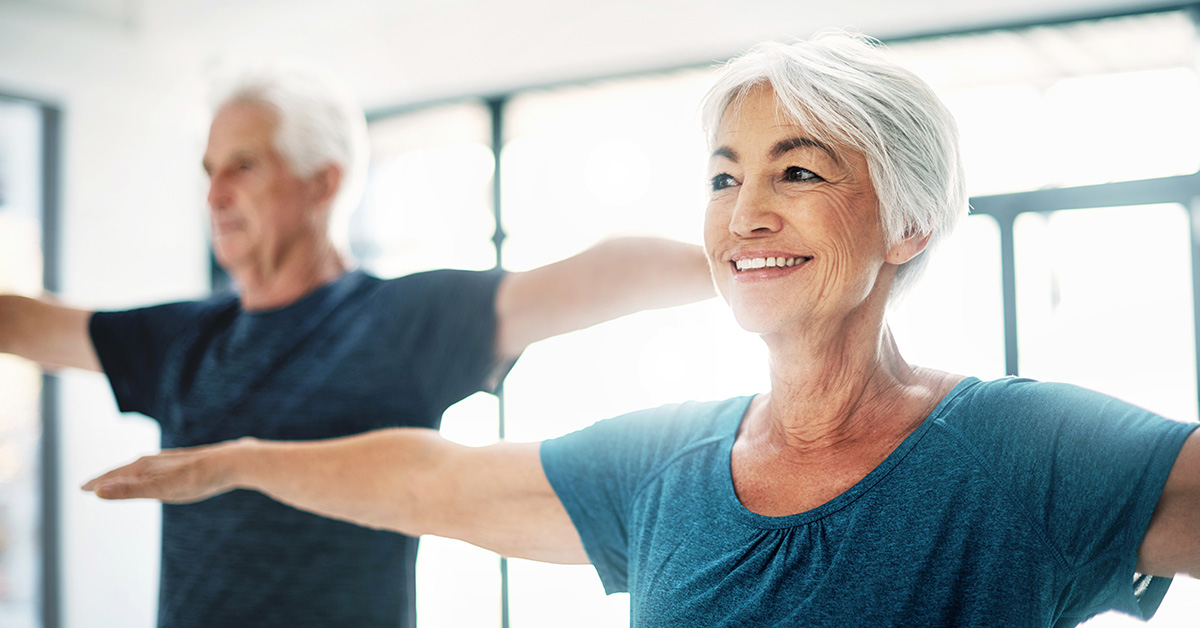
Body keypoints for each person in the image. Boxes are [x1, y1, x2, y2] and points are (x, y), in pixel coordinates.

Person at [82, 31, 1200, 627]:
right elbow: (434, 480)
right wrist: (235, 460)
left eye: (798, 171)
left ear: (909, 222)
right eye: (724, 177)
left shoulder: (1025, 451)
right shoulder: (669, 462)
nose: (746, 211)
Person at [0, 69, 715, 628]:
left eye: (243, 166)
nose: (215, 193)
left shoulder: (399, 319)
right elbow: (25, 324)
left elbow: (592, 278)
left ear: (323, 181)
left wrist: (751, 265)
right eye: (209, 169)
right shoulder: (183, 340)